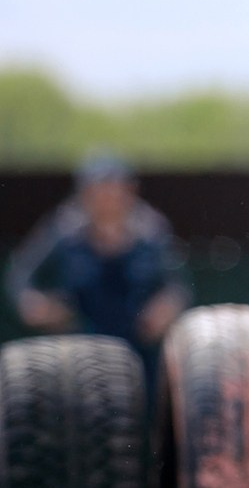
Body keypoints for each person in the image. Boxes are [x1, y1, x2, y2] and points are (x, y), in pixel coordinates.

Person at [8, 153, 190, 357]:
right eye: (100, 189)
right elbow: (22, 273)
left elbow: (177, 285)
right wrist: (35, 303)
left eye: (116, 188)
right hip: (77, 350)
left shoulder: (152, 232)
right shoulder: (64, 230)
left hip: (138, 351)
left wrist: (166, 308)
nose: (109, 197)